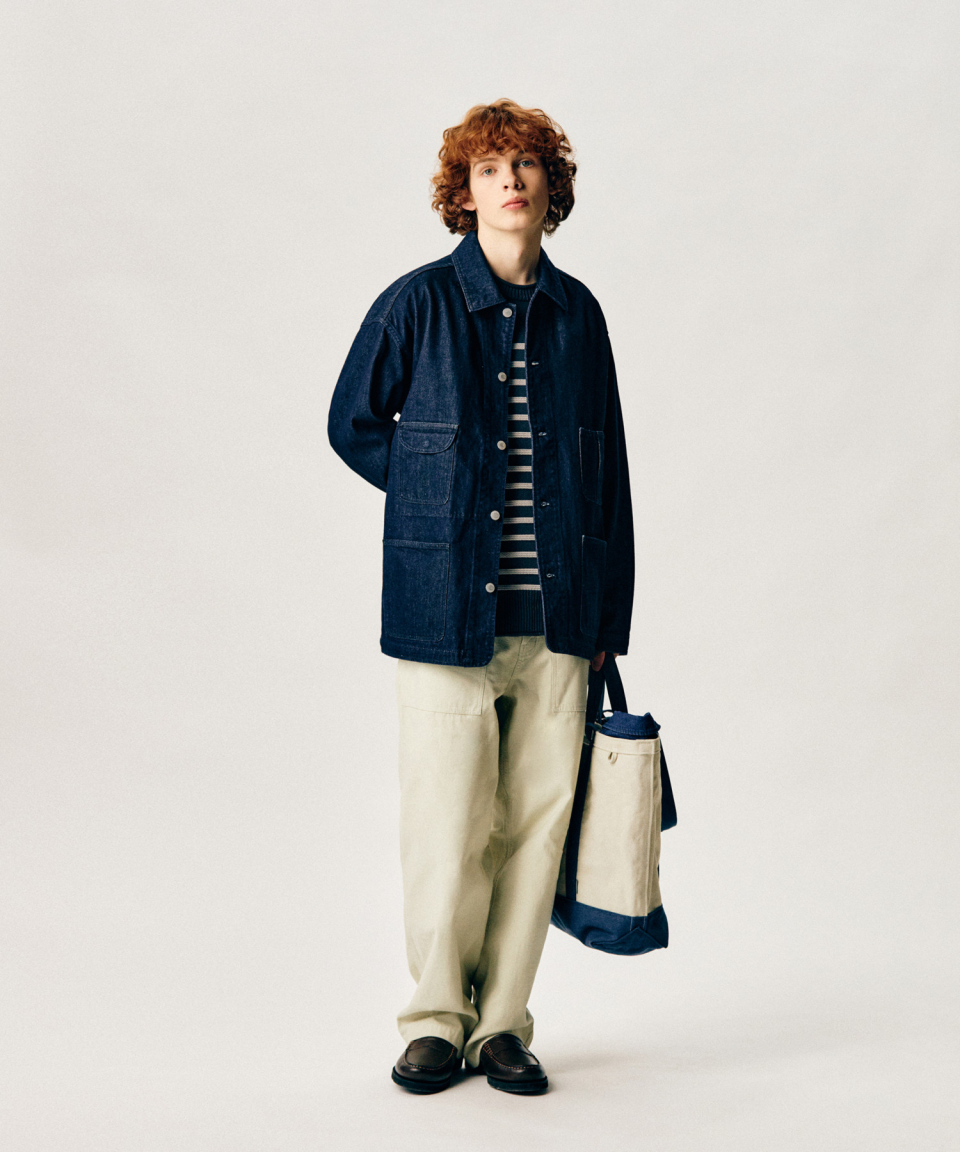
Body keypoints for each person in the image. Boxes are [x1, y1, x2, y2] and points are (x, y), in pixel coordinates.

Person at [328, 99, 634, 1095]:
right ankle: (433, 1021)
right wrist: (441, 497)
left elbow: (607, 471)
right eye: (490, 167)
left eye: (527, 165)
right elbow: (351, 421)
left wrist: (608, 622)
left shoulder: (579, 316)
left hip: (559, 622)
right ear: (463, 192)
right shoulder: (417, 303)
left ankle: (502, 1024)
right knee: (446, 828)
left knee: (535, 832)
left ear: (551, 188)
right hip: (443, 613)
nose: (510, 181)